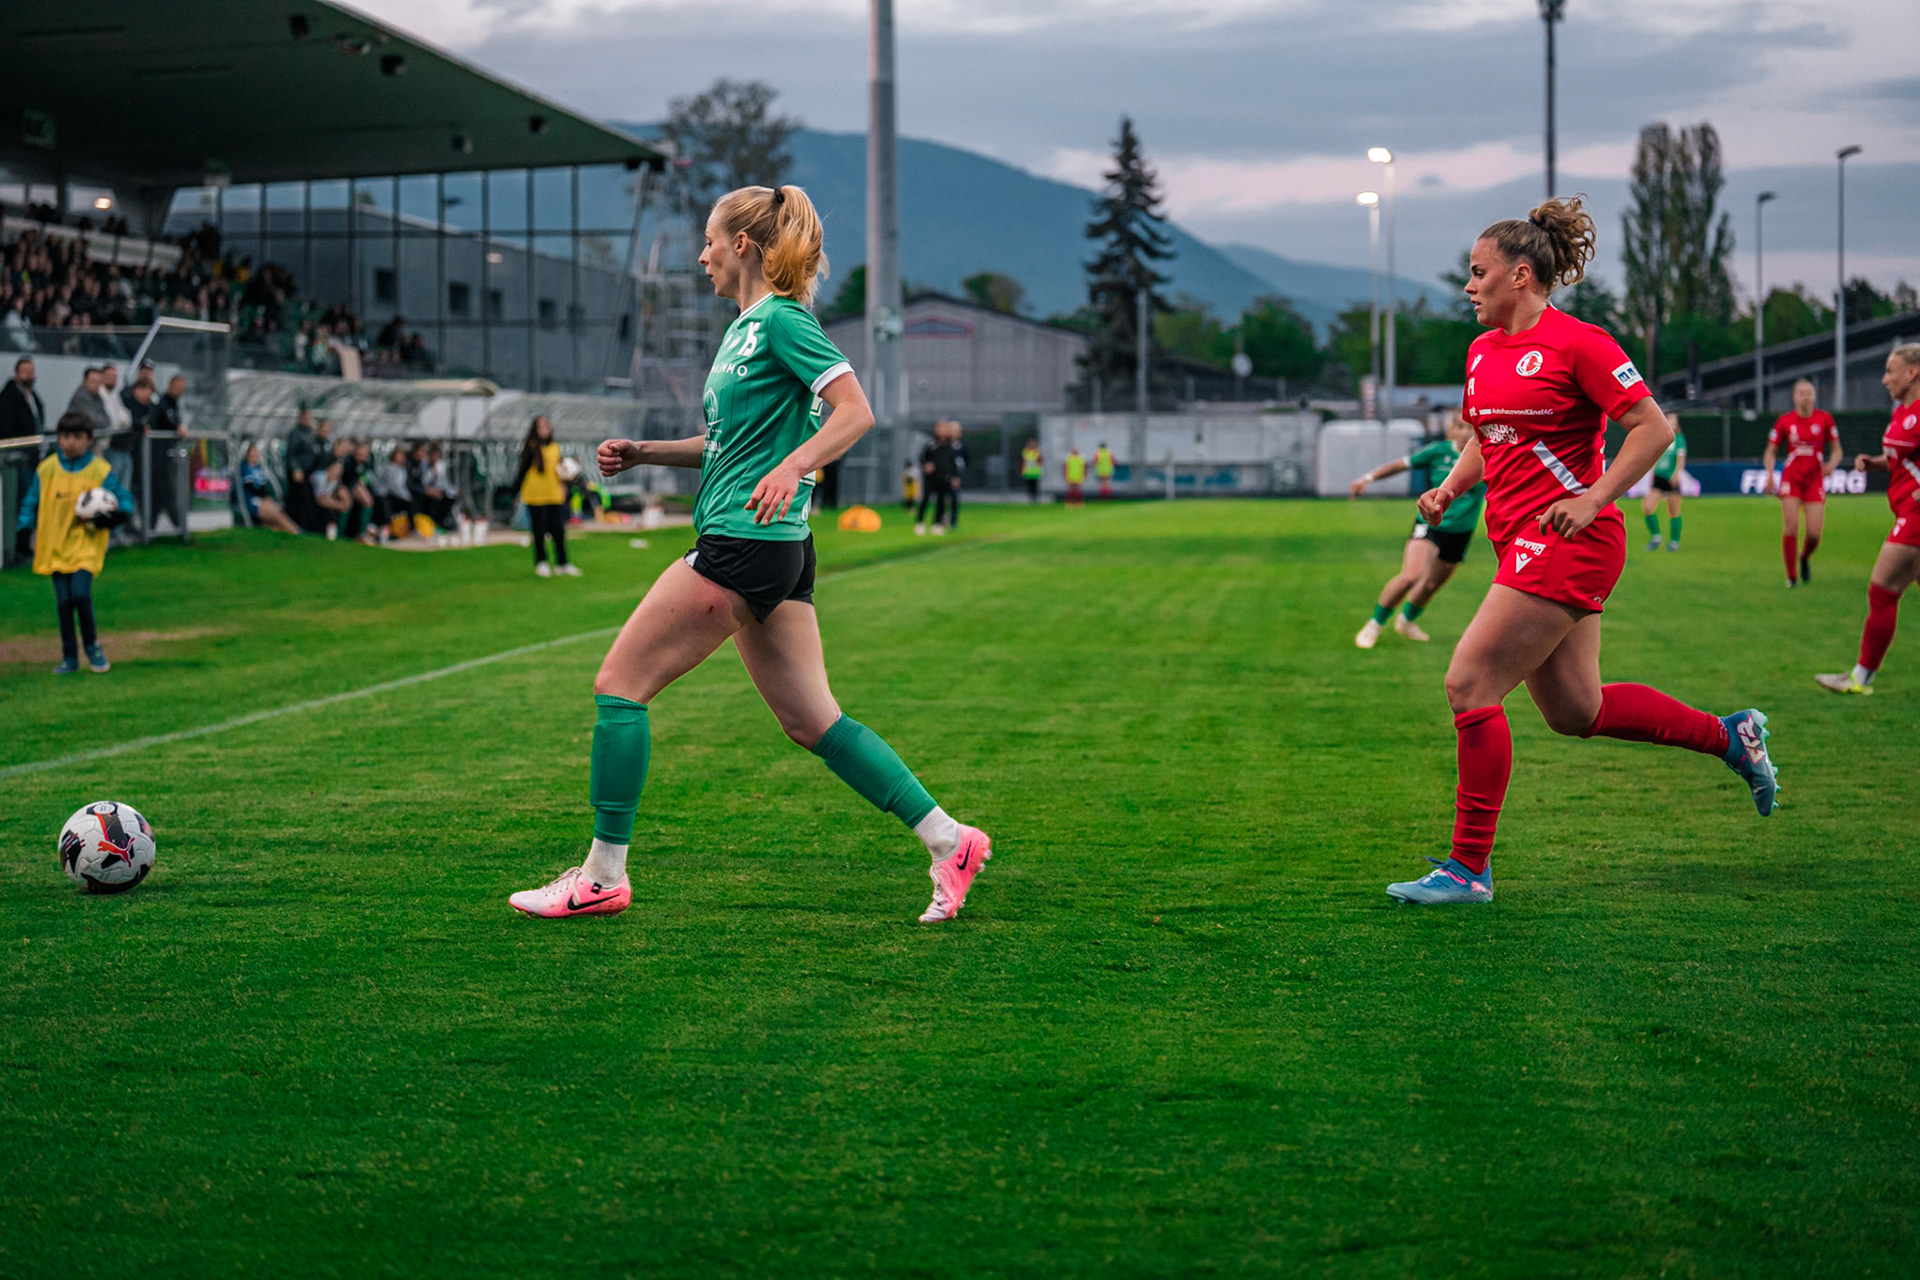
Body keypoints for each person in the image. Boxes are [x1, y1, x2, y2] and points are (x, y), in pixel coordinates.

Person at [508, 183, 991, 925]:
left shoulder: (781, 323)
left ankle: (602, 875)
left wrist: (795, 466)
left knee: (619, 687)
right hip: (777, 550)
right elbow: (730, 445)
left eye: (708, 240)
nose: (700, 255)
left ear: (742, 246)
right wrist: (647, 454)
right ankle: (948, 840)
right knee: (815, 724)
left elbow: (855, 410)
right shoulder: (741, 333)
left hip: (743, 542)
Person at [1385, 197, 1778, 906]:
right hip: (1520, 544)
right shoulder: (1480, 352)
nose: (1468, 286)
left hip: (1572, 539)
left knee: (1468, 683)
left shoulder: (1580, 343)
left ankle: (1468, 870)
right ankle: (1731, 736)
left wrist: (1595, 497)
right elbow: (1486, 435)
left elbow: (1652, 430)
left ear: (1522, 275)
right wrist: (1448, 488)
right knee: (1575, 711)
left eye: (1478, 273)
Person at [1815, 344, 1920, 695]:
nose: (1884, 378)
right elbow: (1904, 460)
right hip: (1906, 511)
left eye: (1890, 371)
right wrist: (1875, 463)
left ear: (1912, 372)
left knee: (1882, 589)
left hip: (1915, 516)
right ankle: (1862, 677)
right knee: (1885, 592)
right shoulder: (1903, 412)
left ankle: (1861, 678)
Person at [1350, 412, 1485, 647]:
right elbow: (1399, 465)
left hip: (1461, 532)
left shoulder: (1484, 456)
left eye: (1470, 428)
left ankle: (1406, 621)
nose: (1465, 433)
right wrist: (1368, 478)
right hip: (1430, 525)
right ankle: (1373, 625)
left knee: (1432, 584)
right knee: (1410, 577)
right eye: (1459, 427)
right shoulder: (1437, 452)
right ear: (1450, 430)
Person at [13, 412, 133, 673]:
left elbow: (124, 500)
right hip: (55, 546)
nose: (70, 442)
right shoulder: (46, 469)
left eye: (77, 437)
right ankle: (69, 657)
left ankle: (92, 647)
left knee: (80, 594)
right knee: (64, 602)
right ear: (58, 438)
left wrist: (113, 518)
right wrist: (24, 530)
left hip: (85, 545)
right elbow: (31, 501)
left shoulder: (99, 470)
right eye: (65, 436)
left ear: (89, 440)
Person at [1763, 378, 1842, 587]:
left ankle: (1804, 556)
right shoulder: (1785, 421)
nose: (1806, 396)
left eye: (1809, 393)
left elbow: (1837, 450)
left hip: (1815, 479)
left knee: (1814, 535)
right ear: (1794, 397)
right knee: (1791, 527)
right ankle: (1792, 576)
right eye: (1802, 393)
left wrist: (1832, 464)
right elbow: (1771, 451)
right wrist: (1770, 475)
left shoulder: (1825, 419)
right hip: (1792, 478)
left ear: (1814, 396)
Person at [516, 415, 577, 577]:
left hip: (553, 493)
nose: (545, 429)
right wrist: (515, 491)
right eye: (541, 426)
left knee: (559, 530)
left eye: (546, 426)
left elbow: (560, 470)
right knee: (538, 530)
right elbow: (522, 470)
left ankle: (562, 563)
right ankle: (541, 562)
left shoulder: (555, 447)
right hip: (535, 494)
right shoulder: (531, 446)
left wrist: (566, 479)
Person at [1641, 412, 1687, 551]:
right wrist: (1653, 469)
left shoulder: (1679, 439)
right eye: (1670, 420)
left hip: (1671, 478)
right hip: (1659, 478)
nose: (1673, 423)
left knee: (1673, 511)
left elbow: (1681, 458)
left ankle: (1674, 541)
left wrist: (1677, 473)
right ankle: (1656, 537)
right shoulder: (1660, 437)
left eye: (1675, 421)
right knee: (1647, 507)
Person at [235, 442, 300, 534]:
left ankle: (293, 530)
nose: (256, 455)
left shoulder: (257, 468)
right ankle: (296, 531)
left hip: (262, 500)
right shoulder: (244, 467)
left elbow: (262, 486)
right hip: (251, 501)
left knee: (277, 515)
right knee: (277, 515)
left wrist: (266, 497)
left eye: (256, 452)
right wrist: (264, 498)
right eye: (253, 452)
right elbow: (251, 487)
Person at [913, 425, 956, 535]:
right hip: (931, 478)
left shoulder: (949, 446)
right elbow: (922, 458)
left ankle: (937, 524)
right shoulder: (931, 445)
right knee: (926, 498)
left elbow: (952, 463)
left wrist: (954, 476)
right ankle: (919, 522)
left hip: (943, 477)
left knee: (941, 501)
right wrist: (926, 465)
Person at [944, 420, 968, 528]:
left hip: (956, 475)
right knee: (944, 498)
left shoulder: (962, 445)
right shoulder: (944, 444)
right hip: (944, 474)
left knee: (954, 497)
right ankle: (943, 518)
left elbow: (967, 459)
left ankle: (953, 520)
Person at [1021, 438, 1042, 503]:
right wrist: (1023, 470)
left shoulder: (1037, 451)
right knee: (1029, 486)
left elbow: (1040, 460)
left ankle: (1035, 498)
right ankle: (1031, 498)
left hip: (1035, 471)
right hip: (1028, 471)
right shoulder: (1026, 451)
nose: (1031, 445)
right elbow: (1024, 461)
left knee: (1035, 486)